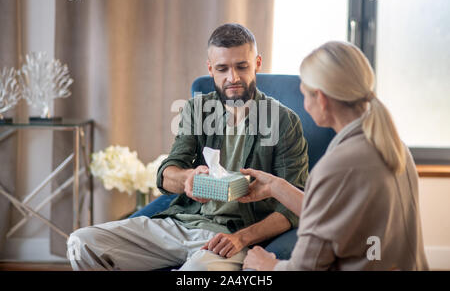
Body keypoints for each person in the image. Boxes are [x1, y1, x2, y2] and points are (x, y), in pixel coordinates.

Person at [66, 23, 309, 271]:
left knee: (196, 271)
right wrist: (187, 178)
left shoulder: (283, 122)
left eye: (241, 66)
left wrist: (242, 238)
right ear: (210, 68)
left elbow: (294, 207)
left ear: (257, 64)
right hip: (182, 223)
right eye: (222, 68)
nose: (232, 78)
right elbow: (167, 172)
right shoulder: (197, 109)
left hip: (232, 235)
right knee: (82, 242)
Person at [240, 41, 429, 271]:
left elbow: (305, 268)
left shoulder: (337, 166)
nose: (305, 106)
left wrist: (267, 264)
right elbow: (331, 214)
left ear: (321, 98)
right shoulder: (394, 147)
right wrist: (274, 186)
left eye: (304, 97)